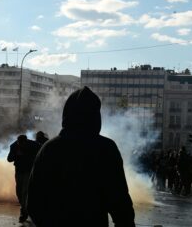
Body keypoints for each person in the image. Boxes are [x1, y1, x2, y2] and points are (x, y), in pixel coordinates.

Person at [27, 86, 135, 227]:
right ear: (95, 115)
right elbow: (119, 201)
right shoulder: (105, 148)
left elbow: (34, 201)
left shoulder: (49, 148)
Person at [7, 134, 40, 223]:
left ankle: (24, 212)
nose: (21, 145)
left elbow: (40, 156)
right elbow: (9, 159)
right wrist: (15, 154)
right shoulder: (14, 146)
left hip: (29, 171)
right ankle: (25, 208)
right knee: (19, 191)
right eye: (19, 144)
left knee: (25, 191)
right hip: (19, 171)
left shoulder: (34, 145)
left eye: (23, 144)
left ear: (26, 141)